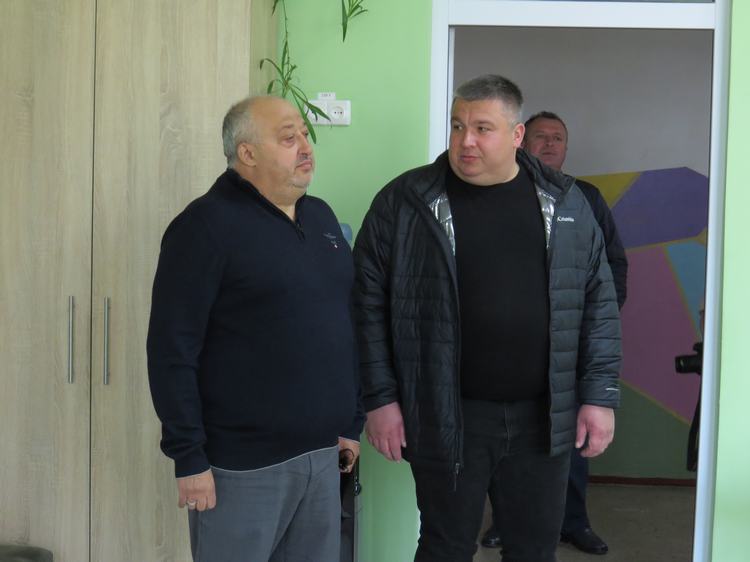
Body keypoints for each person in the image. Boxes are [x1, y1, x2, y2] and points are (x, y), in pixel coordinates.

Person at [352, 74, 622, 562]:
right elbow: (366, 305)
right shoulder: (406, 201)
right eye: (457, 126)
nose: (466, 141)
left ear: (516, 136)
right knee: (445, 546)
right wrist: (380, 399)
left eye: (482, 128)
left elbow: (598, 304)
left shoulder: (566, 202)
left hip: (543, 415)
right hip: (447, 410)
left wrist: (599, 395)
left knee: (534, 550)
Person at [147, 95, 363, 562]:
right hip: (240, 468)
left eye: (304, 133)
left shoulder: (321, 217)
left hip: (322, 456)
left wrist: (351, 421)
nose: (304, 145)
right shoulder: (204, 227)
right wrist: (189, 457)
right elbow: (171, 350)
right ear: (247, 153)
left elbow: (344, 324)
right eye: (288, 138)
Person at [480, 110, 628, 555]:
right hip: (509, 355)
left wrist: (590, 323)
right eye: (540, 136)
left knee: (571, 441)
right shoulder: (494, 195)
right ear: (521, 141)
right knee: (505, 442)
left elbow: (612, 269)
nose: (549, 144)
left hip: (569, 352)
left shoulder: (584, 198)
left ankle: (574, 522)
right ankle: (505, 522)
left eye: (558, 138)